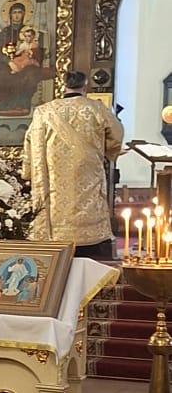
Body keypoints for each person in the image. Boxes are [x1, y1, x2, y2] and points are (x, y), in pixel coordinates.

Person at [22, 70, 124, 261]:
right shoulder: (96, 108)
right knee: (90, 205)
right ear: (85, 86)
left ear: (64, 86)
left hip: (53, 179)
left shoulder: (43, 111)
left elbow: (29, 142)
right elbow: (116, 136)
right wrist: (109, 153)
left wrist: (28, 171)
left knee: (55, 208)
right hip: (88, 173)